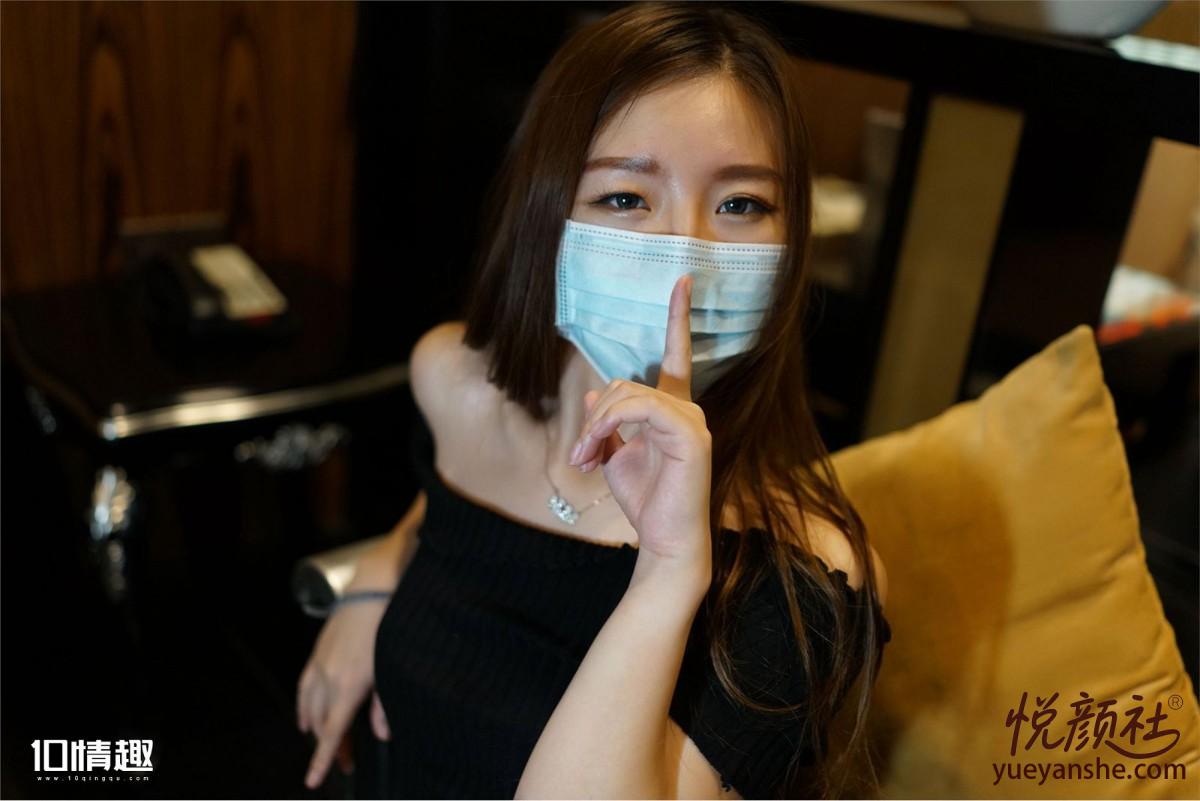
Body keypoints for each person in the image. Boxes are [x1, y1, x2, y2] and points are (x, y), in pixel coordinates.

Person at [297, 3, 891, 798]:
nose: (684, 255)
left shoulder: (804, 580)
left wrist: (668, 570)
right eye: (625, 197)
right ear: (547, 212)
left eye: (741, 204)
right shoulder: (461, 388)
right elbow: (450, 512)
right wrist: (376, 580)